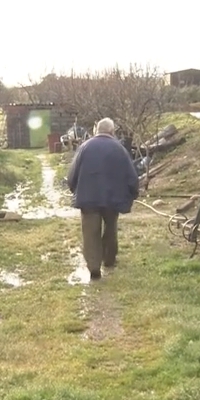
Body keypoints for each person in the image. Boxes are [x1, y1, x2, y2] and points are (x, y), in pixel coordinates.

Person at [66, 117, 140, 280]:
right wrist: (133, 193)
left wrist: (75, 190)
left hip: (88, 198)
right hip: (113, 199)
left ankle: (94, 267)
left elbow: (72, 175)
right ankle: (109, 259)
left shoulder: (84, 147)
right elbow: (132, 177)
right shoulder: (119, 149)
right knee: (110, 228)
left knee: (90, 232)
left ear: (96, 130)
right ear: (112, 131)